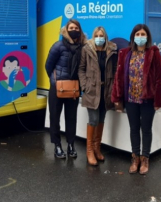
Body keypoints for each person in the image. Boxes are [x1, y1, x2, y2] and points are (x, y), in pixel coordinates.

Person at [111, 24, 161, 175]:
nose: (140, 37)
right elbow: (118, 76)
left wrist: (158, 101)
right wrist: (117, 97)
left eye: (143, 34)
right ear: (133, 37)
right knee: (134, 129)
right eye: (138, 34)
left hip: (148, 100)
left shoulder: (154, 54)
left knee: (146, 130)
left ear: (147, 37)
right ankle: (135, 158)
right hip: (130, 99)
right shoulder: (125, 53)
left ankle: (145, 158)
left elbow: (160, 79)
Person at [45, 19, 87, 159]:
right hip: (57, 88)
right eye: (71, 27)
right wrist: (55, 82)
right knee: (55, 118)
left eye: (76, 27)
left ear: (79, 30)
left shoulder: (83, 47)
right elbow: (48, 66)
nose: (73, 30)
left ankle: (71, 145)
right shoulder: (58, 46)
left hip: (74, 89)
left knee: (71, 118)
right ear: (66, 30)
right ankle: (57, 145)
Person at [78, 26, 118, 166]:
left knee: (101, 119)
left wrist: (113, 88)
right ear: (93, 37)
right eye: (97, 36)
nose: (99, 38)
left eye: (101, 35)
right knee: (93, 119)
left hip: (105, 92)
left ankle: (97, 148)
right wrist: (84, 86)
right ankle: (89, 151)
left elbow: (114, 70)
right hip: (91, 91)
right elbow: (81, 69)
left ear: (105, 37)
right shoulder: (86, 50)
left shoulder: (112, 50)